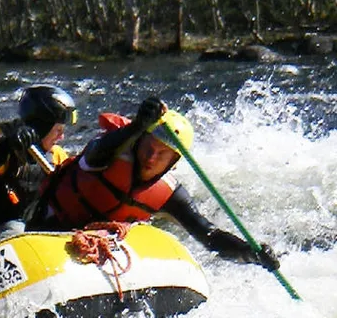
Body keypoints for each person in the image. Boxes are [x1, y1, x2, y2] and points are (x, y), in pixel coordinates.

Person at [29, 96, 280, 269]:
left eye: (162, 154)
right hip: (46, 231)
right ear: (140, 140)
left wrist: (250, 253)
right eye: (149, 147)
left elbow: (209, 236)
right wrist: (138, 125)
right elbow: (96, 151)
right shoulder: (108, 153)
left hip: (96, 250)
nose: (151, 157)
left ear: (173, 161)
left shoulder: (170, 194)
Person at [0, 84, 75, 246]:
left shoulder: (56, 156)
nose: (61, 137)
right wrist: (4, 150)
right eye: (58, 130)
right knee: (16, 228)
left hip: (25, 228)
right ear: (41, 127)